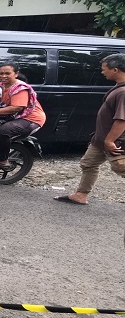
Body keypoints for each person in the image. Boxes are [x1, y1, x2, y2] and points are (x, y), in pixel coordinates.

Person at [55, 53, 125, 205]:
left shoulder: (123, 92)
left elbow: (121, 120)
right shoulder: (118, 88)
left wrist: (110, 140)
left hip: (114, 140)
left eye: (104, 69)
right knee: (88, 163)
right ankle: (81, 194)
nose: (102, 72)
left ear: (115, 70)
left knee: (121, 168)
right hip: (101, 139)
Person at [0, 63, 46, 170]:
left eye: (7, 73)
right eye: (1, 73)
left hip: (30, 119)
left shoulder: (20, 88)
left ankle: (2, 160)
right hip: (11, 116)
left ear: (16, 74)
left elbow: (17, 108)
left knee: (2, 131)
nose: (4, 76)